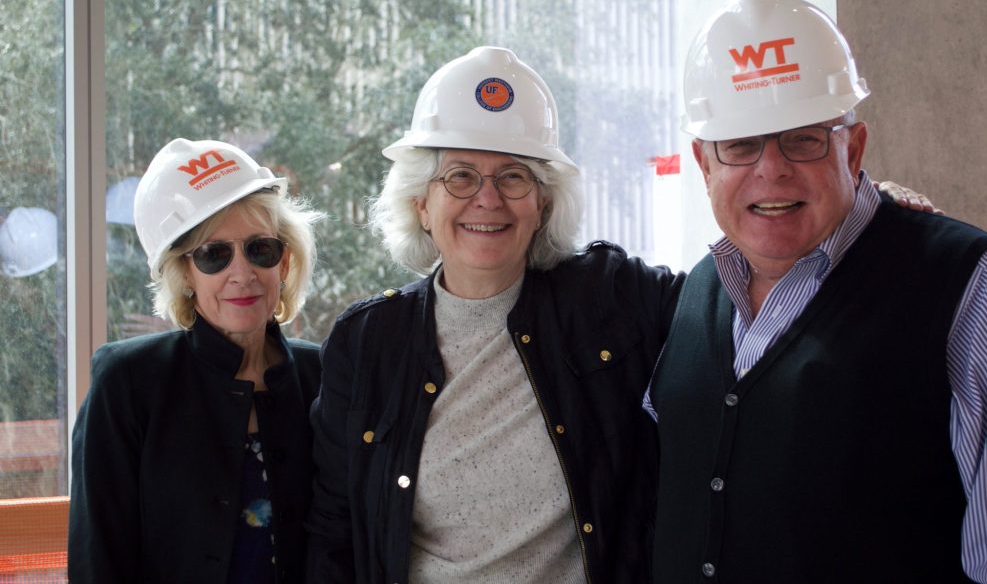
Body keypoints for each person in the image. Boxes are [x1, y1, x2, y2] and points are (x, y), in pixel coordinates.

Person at [646, 0, 987, 584]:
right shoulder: (697, 292)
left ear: (853, 149)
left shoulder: (974, 286)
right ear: (704, 164)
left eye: (803, 138)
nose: (771, 169)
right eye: (740, 145)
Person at [305, 46, 684, 584]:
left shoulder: (609, 297)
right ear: (421, 204)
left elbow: (732, 304)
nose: (488, 199)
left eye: (512, 177)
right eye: (460, 177)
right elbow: (334, 531)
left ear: (543, 204)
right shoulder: (366, 342)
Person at [69, 138, 324, 584]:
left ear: (284, 262)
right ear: (184, 273)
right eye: (213, 255)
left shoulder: (324, 374)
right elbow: (99, 558)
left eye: (260, 249)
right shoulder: (128, 382)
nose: (242, 273)